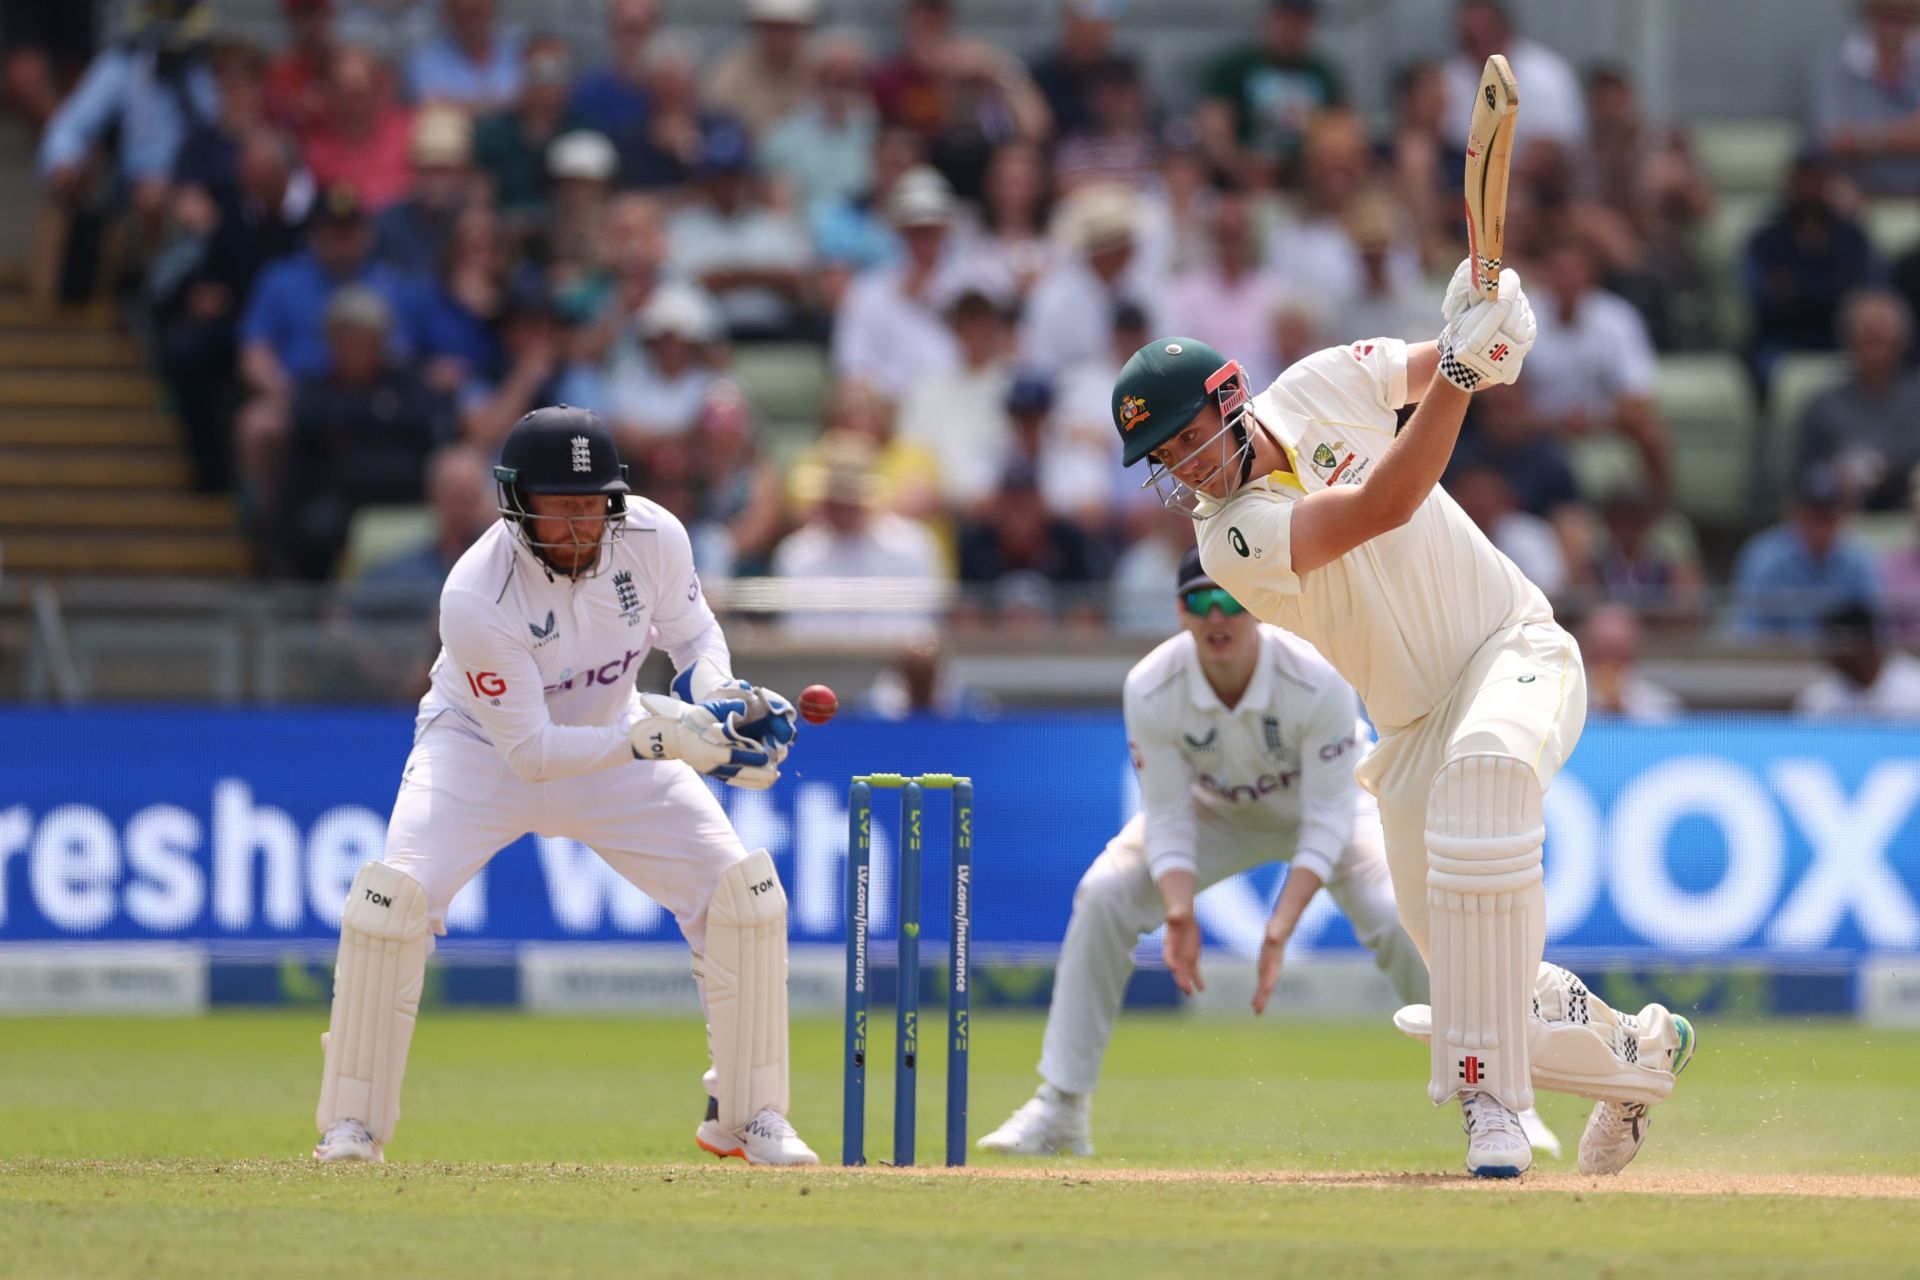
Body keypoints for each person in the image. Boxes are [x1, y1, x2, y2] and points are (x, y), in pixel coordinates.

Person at [1109, 259, 1695, 1179]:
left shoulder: (1321, 380)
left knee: (1488, 778)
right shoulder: (1227, 541)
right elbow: (1385, 503)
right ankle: (1642, 1058)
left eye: (1185, 441)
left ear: (1228, 396)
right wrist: (1465, 374)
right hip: (1412, 731)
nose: (1182, 470)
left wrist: (1493, 323)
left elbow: (1463, 365)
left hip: (1512, 648)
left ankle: (1489, 1104)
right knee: (1477, 974)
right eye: (1164, 463)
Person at [312, 405, 818, 1167]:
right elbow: (532, 754)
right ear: (518, 506)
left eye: (594, 505)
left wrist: (720, 699)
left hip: (617, 747)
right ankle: (351, 1126)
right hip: (478, 753)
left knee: (741, 897)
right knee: (394, 904)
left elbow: (693, 635)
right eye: (563, 508)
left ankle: (746, 1115)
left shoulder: (652, 536)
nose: (583, 525)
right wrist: (668, 736)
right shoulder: (476, 595)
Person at [981, 550, 1554, 1158]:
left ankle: (1497, 1099)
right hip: (1216, 813)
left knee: (1397, 916)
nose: (1217, 617)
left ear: (1254, 609)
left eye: (1231, 601)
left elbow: (1328, 819)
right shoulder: (1151, 686)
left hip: (1332, 806)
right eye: (1202, 603)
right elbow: (1169, 815)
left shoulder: (1315, 673)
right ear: (1181, 612)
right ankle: (1061, 1109)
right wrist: (1177, 913)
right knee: (1105, 893)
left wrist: (1279, 927)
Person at [1796, 289, 1920, 512]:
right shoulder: (1822, 407)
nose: (1876, 354)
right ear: (1848, 344)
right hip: (1840, 524)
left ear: (1902, 345)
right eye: (1867, 341)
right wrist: (1832, 476)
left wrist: (1891, 470)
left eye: (1884, 342)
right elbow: (1800, 477)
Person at [1197, 0, 1342, 188]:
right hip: (1239, 189)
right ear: (1270, 17)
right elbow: (1214, 132)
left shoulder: (1323, 74)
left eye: (1300, 20)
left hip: (1303, 189)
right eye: (1285, 17)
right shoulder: (1235, 66)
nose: (1292, 27)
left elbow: (1339, 133)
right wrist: (1244, 170)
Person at [1731, 468, 1882, 641]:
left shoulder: (1858, 559)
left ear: (1843, 516)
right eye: (1813, 517)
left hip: (1843, 664)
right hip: (1777, 663)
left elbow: (1873, 633)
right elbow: (1751, 633)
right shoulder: (1763, 557)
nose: (1820, 528)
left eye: (1828, 517)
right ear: (1792, 513)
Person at [1810, 0, 1920, 197]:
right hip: (1854, 194)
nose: (1894, 26)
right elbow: (1833, 140)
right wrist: (1902, 135)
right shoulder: (1834, 62)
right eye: (1886, 15)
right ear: (1868, 14)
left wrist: (1861, 139)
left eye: (1905, 18)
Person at [702, 0, 817, 141]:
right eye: (773, 28)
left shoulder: (821, 71)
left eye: (789, 28)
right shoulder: (730, 73)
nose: (780, 37)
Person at [1795, 602, 1920, 718]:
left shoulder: (1915, 687)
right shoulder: (1819, 699)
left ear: (1866, 642)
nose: (1829, 651)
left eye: (1838, 642)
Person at [1576, 604, 1681, 722]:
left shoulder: (1662, 705)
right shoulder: (1562, 704)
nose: (1609, 660)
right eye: (1601, 650)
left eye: (1617, 651)